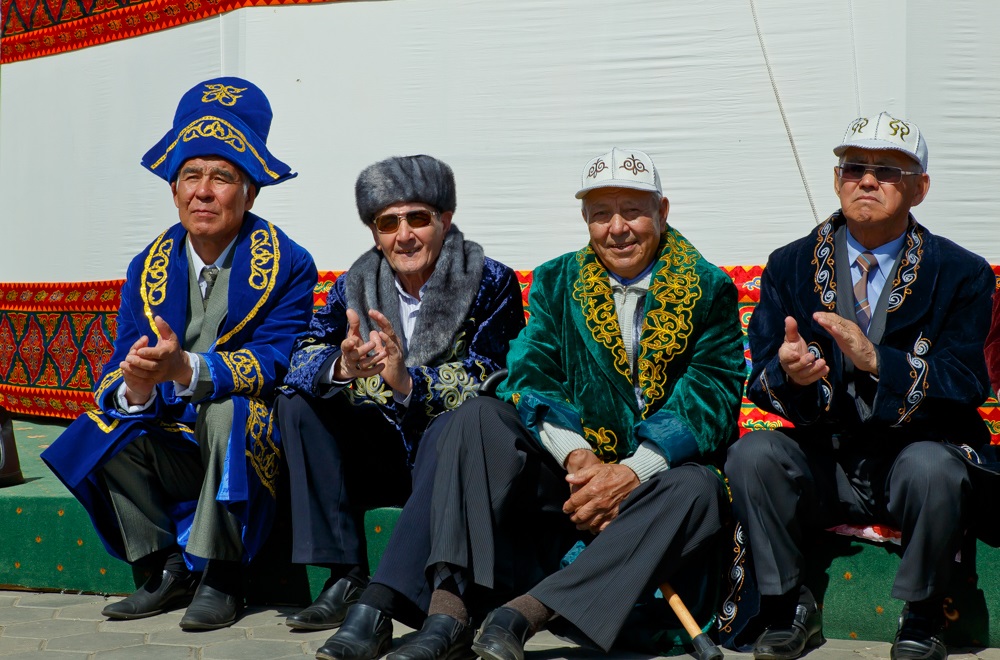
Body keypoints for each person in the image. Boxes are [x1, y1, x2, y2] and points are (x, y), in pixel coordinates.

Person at [330, 147, 745, 660]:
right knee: (477, 416)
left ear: (661, 212)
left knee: (700, 487)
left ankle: (523, 614)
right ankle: (448, 616)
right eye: (601, 214)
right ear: (585, 219)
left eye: (633, 211)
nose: (617, 228)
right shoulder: (556, 280)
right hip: (568, 484)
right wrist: (578, 458)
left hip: (655, 490)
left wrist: (631, 473)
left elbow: (712, 393)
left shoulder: (709, 288)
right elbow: (530, 374)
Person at [42, 77, 318, 631]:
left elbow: (277, 360)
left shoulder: (288, 263)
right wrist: (139, 384)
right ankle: (166, 566)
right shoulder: (146, 267)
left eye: (223, 177)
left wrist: (189, 368)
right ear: (173, 190)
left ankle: (222, 574)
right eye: (191, 175)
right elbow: (120, 363)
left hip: (246, 446)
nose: (203, 192)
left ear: (250, 194)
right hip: (173, 437)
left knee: (228, 410)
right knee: (104, 424)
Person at [727, 111, 1000, 660]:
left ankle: (923, 615)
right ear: (837, 180)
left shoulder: (961, 273)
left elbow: (968, 380)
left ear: (920, 188)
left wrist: (880, 361)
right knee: (753, 455)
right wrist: (792, 375)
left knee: (935, 467)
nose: (868, 180)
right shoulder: (790, 264)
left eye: (888, 170)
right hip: (824, 457)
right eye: (854, 168)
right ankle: (787, 606)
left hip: (912, 458)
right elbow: (761, 376)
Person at [277, 155, 525, 641]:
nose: (403, 235)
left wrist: (409, 382)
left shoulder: (488, 280)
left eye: (417, 218)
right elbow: (301, 353)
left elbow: (495, 374)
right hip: (380, 452)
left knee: (456, 423)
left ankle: (402, 600)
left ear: (445, 220)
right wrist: (342, 366)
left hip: (449, 457)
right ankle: (344, 575)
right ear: (375, 233)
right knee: (296, 403)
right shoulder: (355, 285)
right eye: (388, 223)